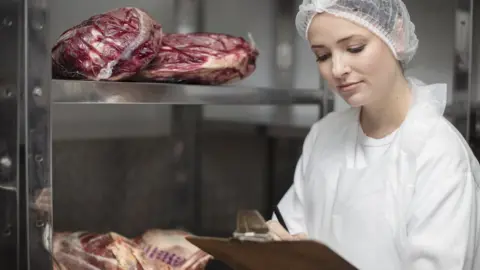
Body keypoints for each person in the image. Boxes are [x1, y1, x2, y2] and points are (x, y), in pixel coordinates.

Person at [266, 0, 480, 269]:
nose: (337, 69)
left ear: (397, 37)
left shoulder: (438, 154)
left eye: (354, 48)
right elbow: (288, 231)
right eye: (322, 55)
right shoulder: (325, 134)